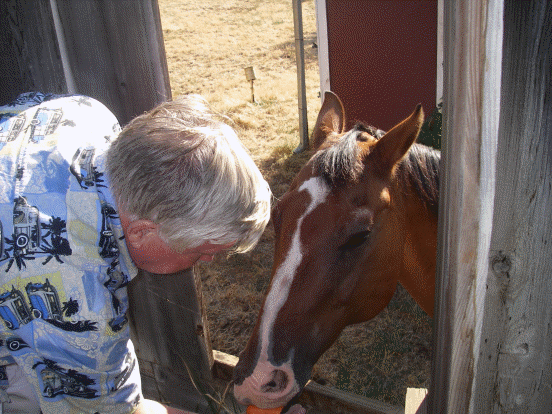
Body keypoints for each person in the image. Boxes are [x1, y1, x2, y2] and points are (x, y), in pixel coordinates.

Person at [0, 92, 271, 413]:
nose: (208, 260)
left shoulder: (87, 114)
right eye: (201, 252)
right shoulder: (82, 303)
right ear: (142, 231)